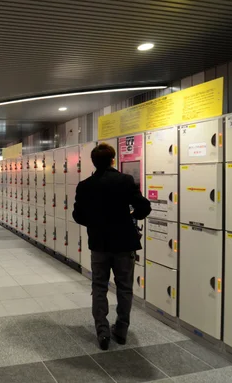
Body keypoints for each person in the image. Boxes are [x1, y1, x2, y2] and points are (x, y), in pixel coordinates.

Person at [72, 143, 151, 351]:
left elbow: (78, 216)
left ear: (93, 162)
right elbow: (144, 207)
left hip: (99, 244)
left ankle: (102, 332)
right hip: (124, 243)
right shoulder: (125, 181)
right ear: (113, 160)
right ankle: (121, 330)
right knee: (124, 287)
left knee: (99, 286)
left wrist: (96, 222)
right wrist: (130, 217)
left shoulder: (85, 185)